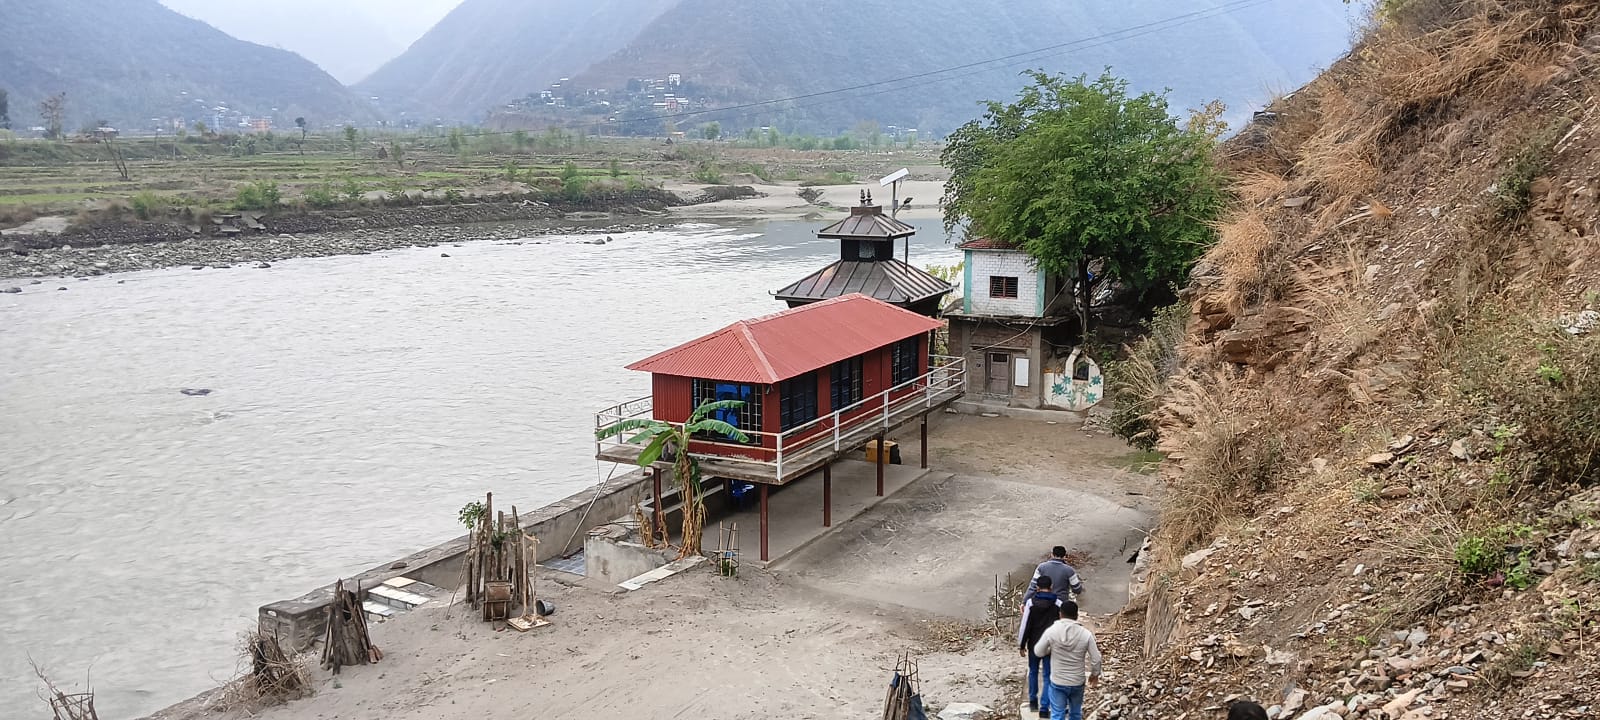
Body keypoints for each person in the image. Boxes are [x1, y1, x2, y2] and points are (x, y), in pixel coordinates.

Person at [1032, 600, 1101, 720]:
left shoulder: (1051, 631)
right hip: (1077, 682)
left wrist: (1050, 649)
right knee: (1075, 713)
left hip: (1058, 681)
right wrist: (1094, 675)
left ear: (1060, 614)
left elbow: (1038, 651)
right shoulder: (1086, 634)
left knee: (1057, 714)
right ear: (1077, 616)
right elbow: (1096, 659)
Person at [1017, 575, 1061, 717]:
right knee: (1048, 676)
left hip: (1034, 644)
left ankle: (1033, 702)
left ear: (1037, 588)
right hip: (1051, 645)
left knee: (1033, 671)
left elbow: (1025, 626)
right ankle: (1044, 708)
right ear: (1051, 587)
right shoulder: (1058, 604)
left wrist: (1021, 644)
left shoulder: (1030, 603)